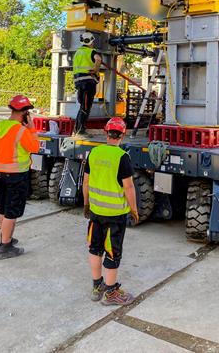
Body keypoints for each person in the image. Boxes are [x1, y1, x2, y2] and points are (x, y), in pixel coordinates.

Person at [82, 117, 139, 305]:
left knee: (95, 248)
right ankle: (111, 293)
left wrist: (86, 204)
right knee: (113, 252)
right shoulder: (122, 157)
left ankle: (97, 286)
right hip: (115, 216)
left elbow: (86, 182)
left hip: (96, 212)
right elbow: (128, 187)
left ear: (106, 133)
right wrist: (134, 209)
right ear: (123, 135)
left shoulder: (94, 153)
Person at [0, 95, 40, 260]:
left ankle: (5, 238)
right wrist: (32, 129)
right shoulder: (21, 131)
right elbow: (35, 147)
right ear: (25, 113)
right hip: (16, 176)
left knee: (3, 209)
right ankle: (5, 247)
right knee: (11, 212)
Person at [73, 31, 102, 136]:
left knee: (82, 106)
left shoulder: (77, 52)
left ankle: (77, 129)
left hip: (79, 83)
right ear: (91, 42)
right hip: (88, 83)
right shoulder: (91, 51)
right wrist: (95, 69)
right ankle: (80, 131)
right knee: (86, 107)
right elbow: (98, 59)